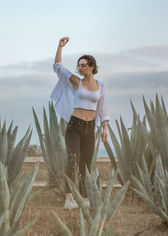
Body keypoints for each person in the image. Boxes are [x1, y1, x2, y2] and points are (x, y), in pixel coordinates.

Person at [50, 37, 109, 209]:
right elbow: (58, 67)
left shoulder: (101, 86)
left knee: (86, 165)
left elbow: (102, 109)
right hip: (74, 126)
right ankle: (69, 199)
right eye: (79, 65)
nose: (80, 67)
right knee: (73, 161)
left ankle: (83, 198)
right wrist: (60, 47)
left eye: (84, 65)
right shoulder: (76, 81)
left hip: (90, 128)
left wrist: (104, 128)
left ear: (92, 67)